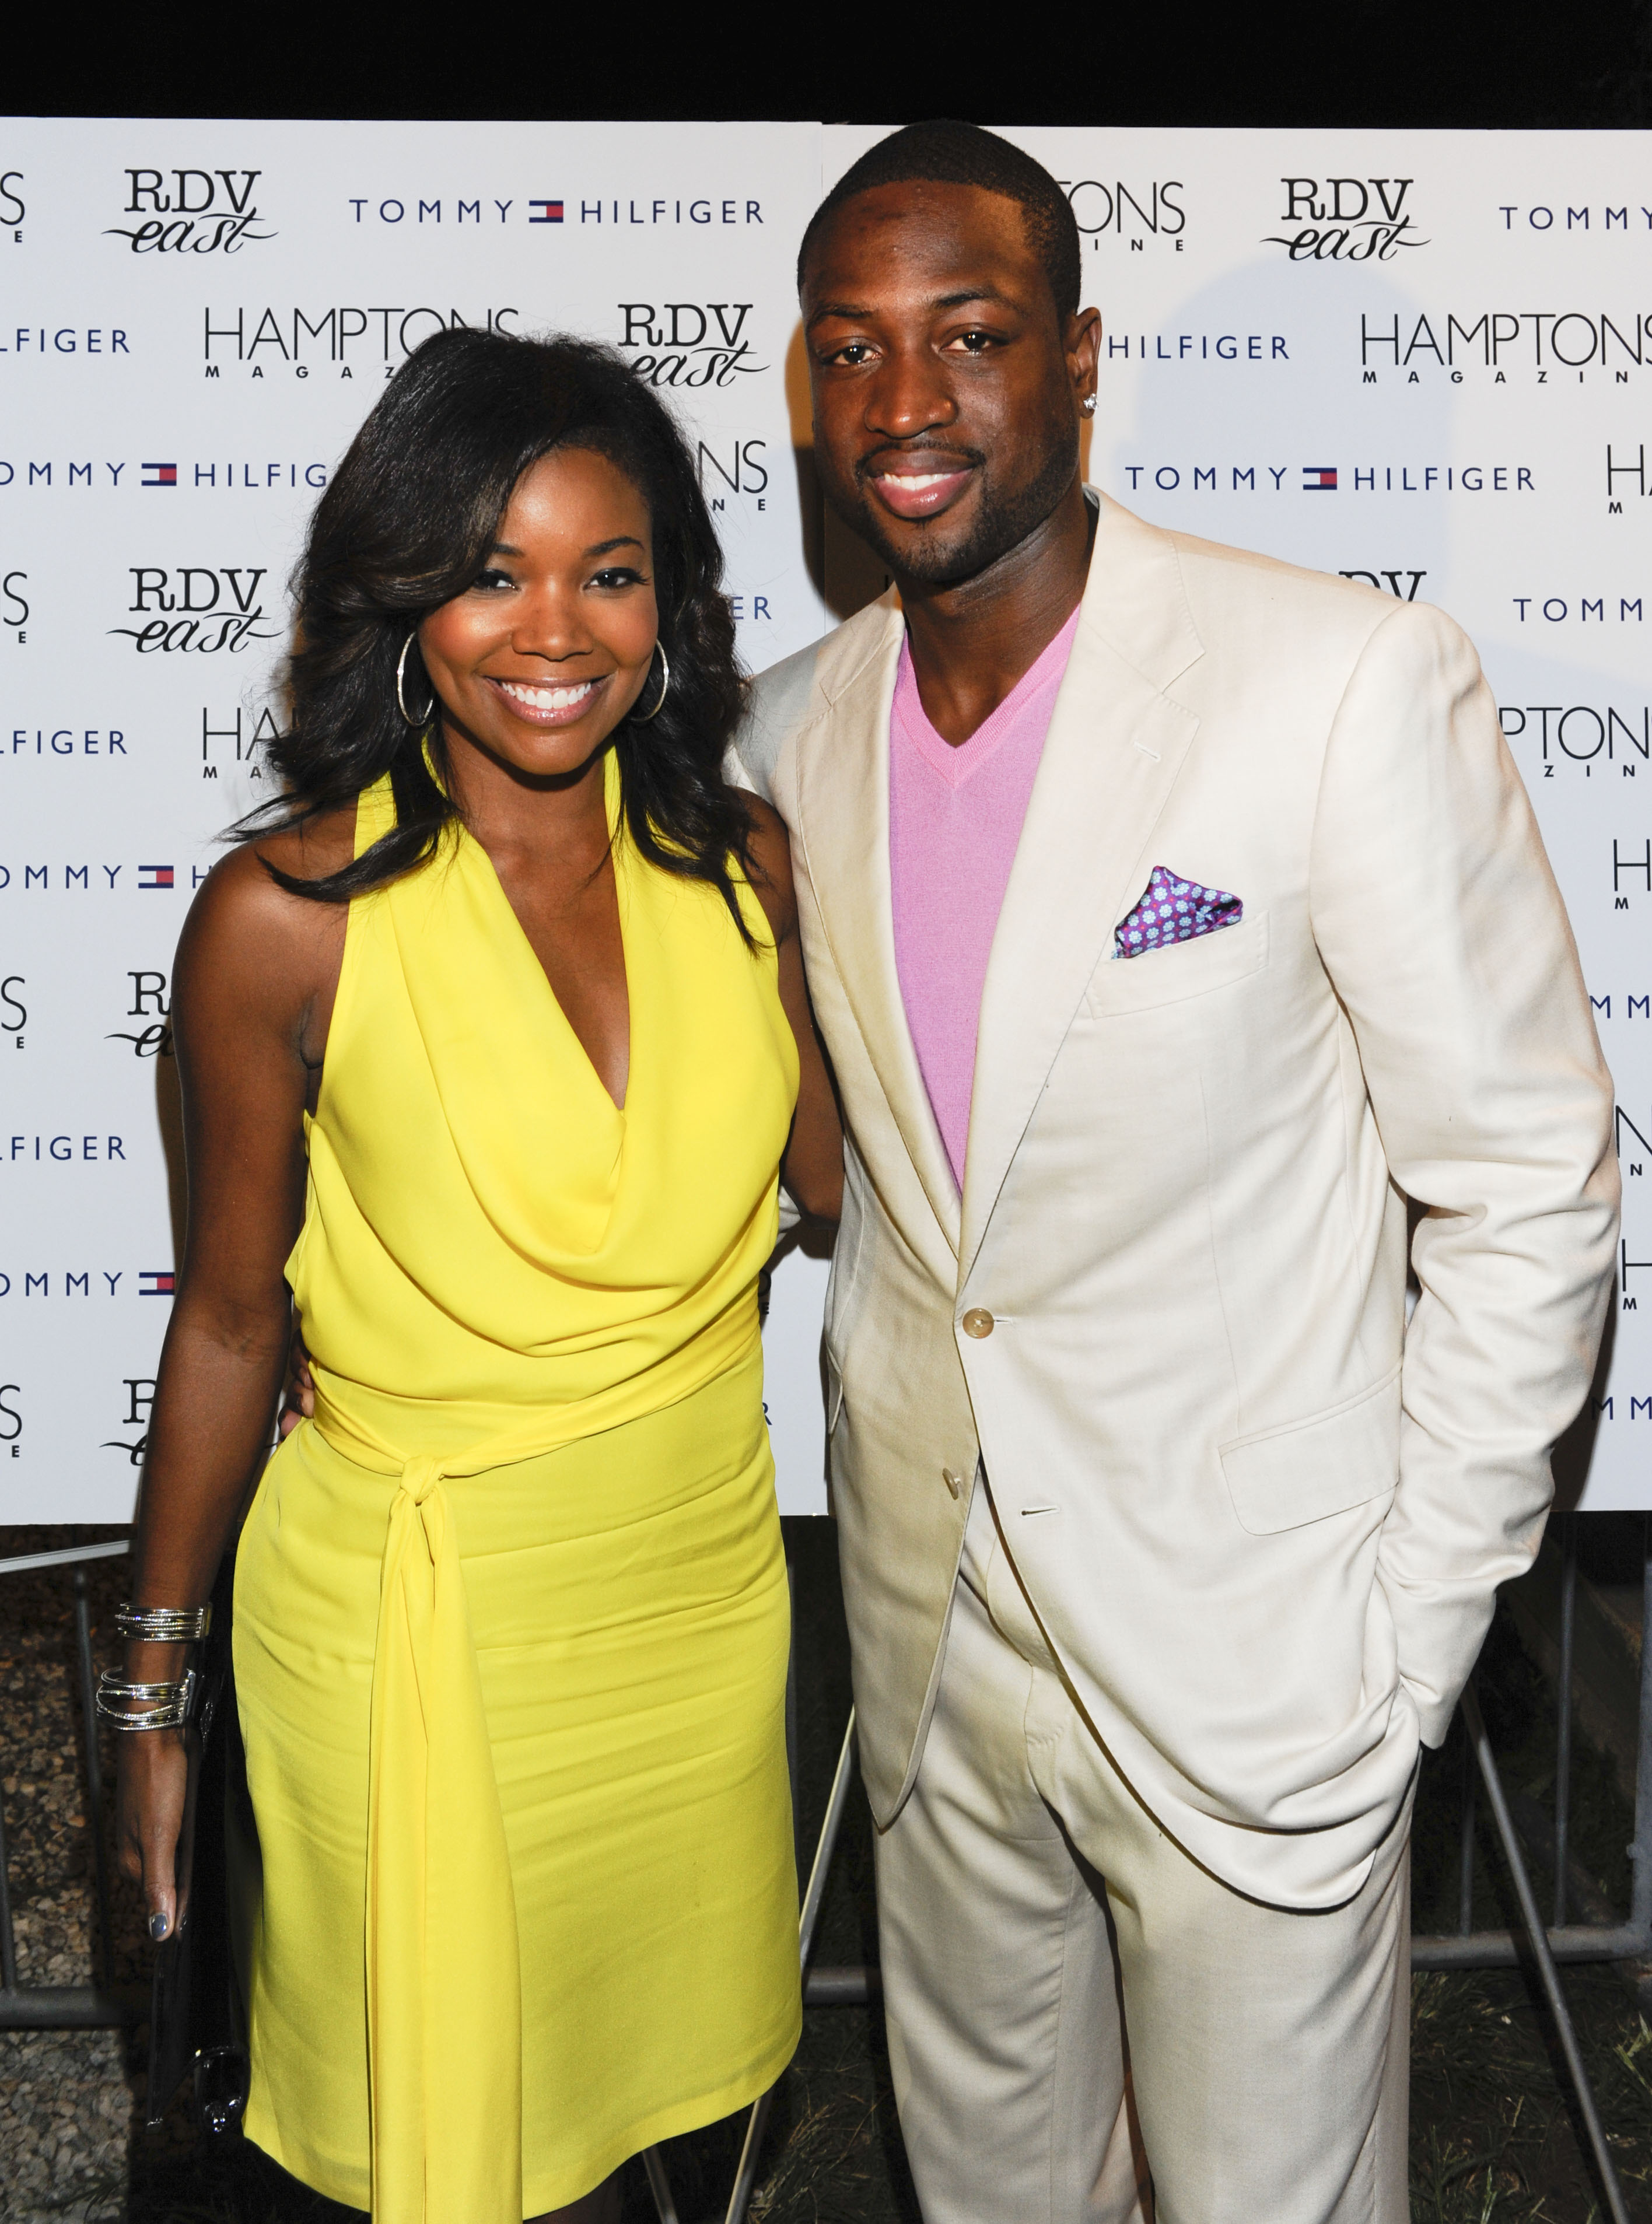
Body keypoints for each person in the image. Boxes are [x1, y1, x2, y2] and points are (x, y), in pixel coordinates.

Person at [734, 122, 1619, 2224]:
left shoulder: (1334, 682)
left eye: (972, 335)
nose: (909, 404)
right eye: (852, 351)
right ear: (802, 384)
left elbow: (1529, 1182)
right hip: (937, 1659)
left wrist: (1408, 1636)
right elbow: (847, 1185)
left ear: (1083, 358)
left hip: (1262, 1667)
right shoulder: (782, 734)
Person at [109, 325, 841, 2224]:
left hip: (688, 1611)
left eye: (610, 574)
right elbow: (229, 1321)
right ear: (403, 597)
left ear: (671, 601)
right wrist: (153, 1701)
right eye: (492, 572)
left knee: (654, 2137)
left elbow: (840, 1180)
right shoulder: (285, 920)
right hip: (413, 1631)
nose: (555, 630)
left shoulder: (750, 868)